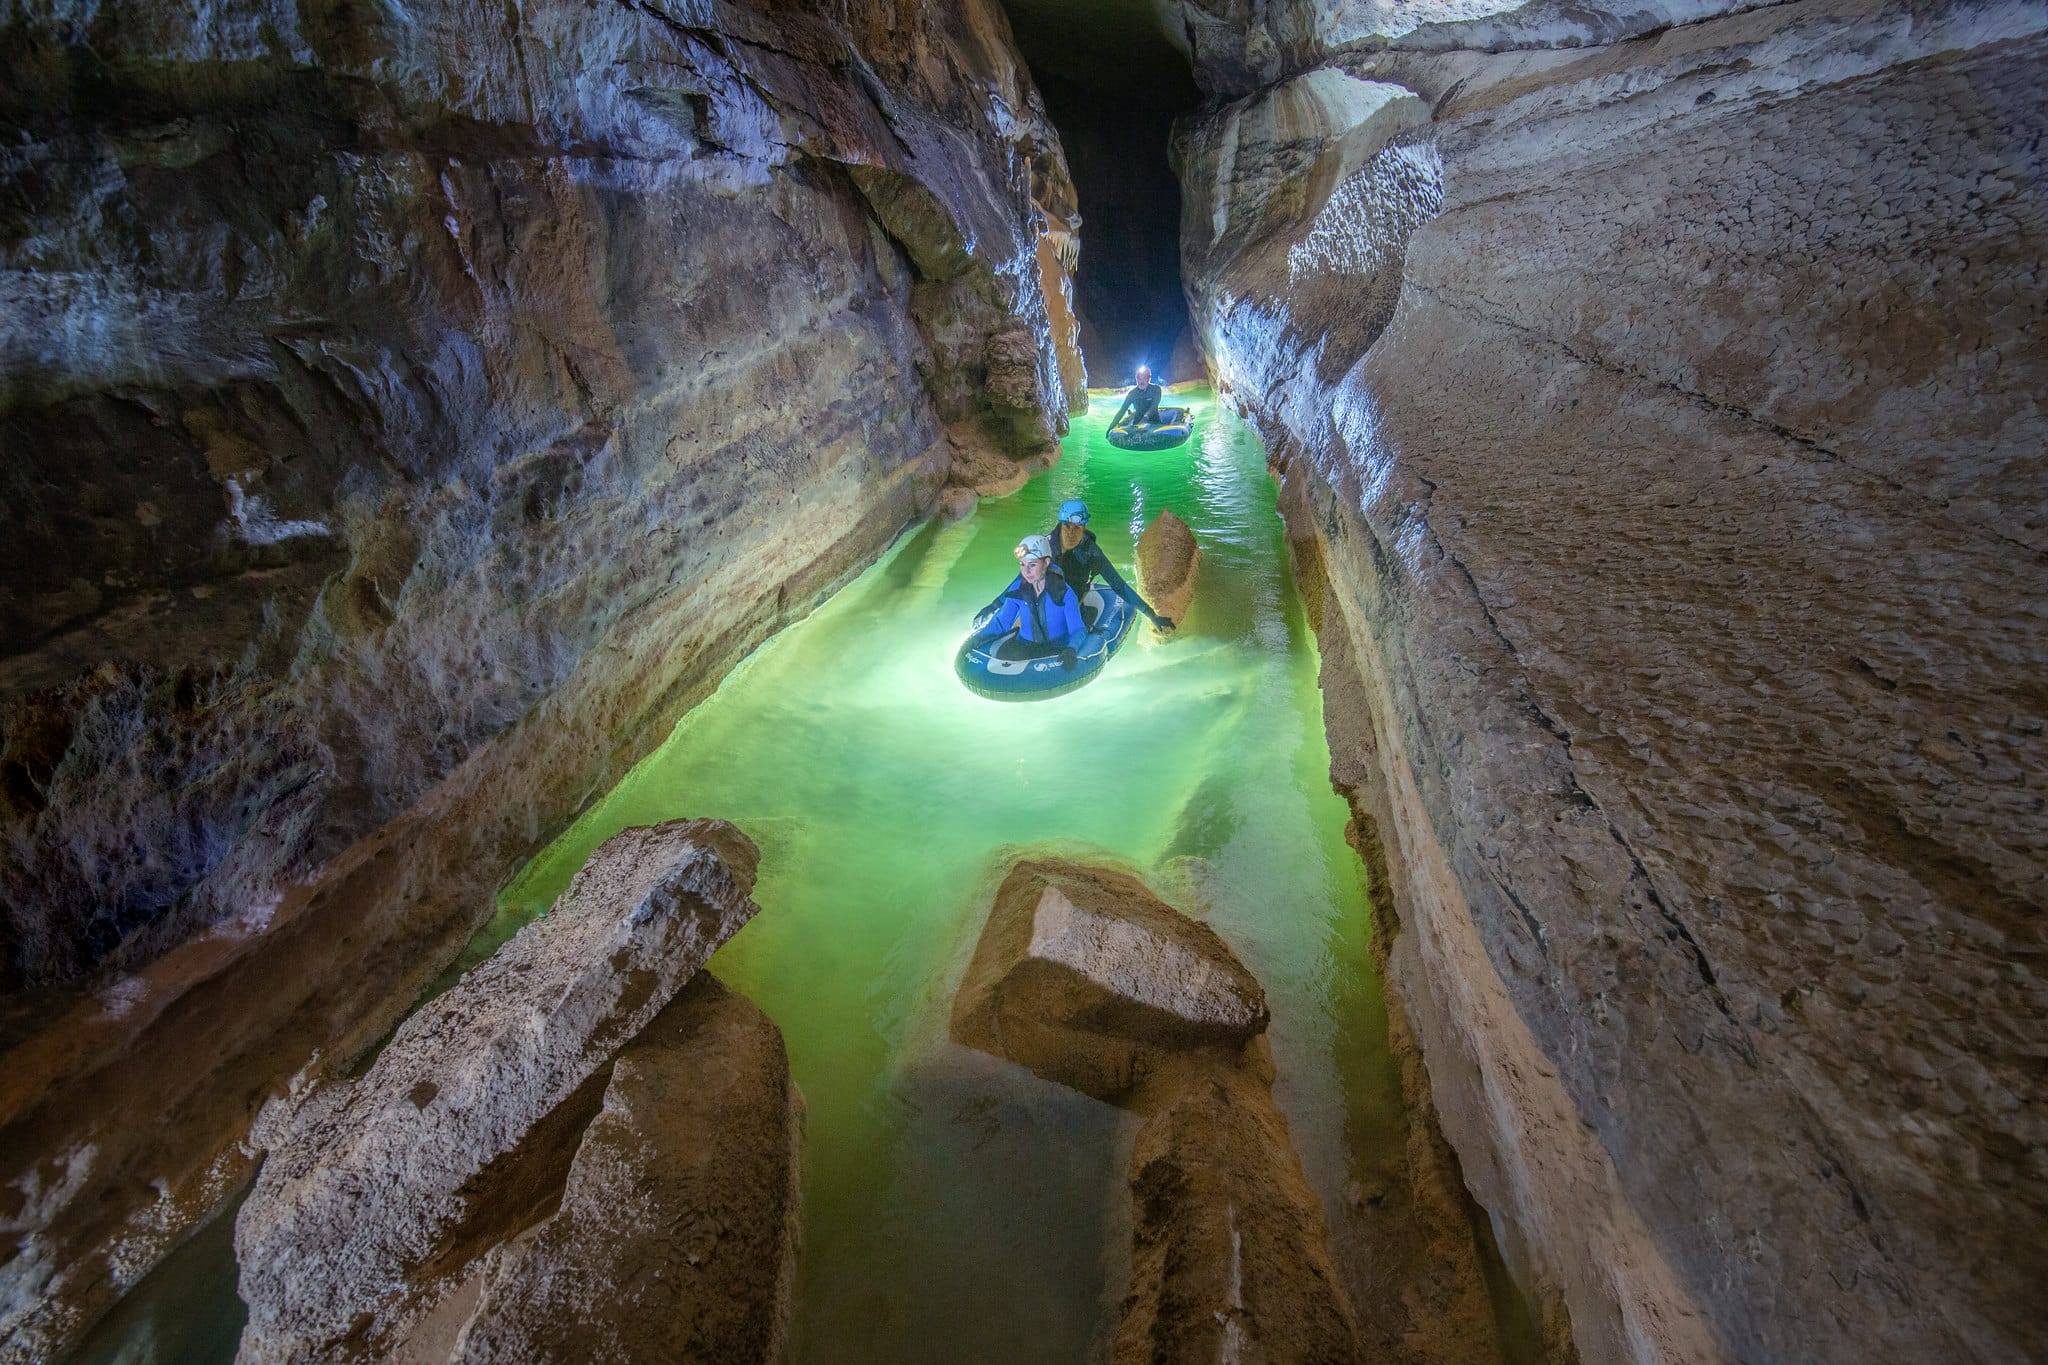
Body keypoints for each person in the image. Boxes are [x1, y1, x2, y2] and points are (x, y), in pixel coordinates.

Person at [1046, 498, 1175, 632]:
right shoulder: (1042, 549)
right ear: (1060, 525)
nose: (1071, 533)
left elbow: (1119, 586)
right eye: (1067, 526)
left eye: (1077, 527)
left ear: (1084, 528)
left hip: (1074, 610)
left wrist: (1152, 615)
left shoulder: (1091, 553)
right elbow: (1024, 585)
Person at [971, 533, 1088, 667]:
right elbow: (1002, 622)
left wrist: (1072, 648)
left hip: (1056, 648)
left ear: (1046, 562)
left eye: (1032, 565)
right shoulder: (1018, 589)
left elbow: (1077, 629)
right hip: (1024, 645)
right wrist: (979, 637)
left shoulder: (1064, 593)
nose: (1026, 571)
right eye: (1022, 564)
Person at [1109, 365, 1164, 429]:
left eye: (1144, 378)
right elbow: (1122, 410)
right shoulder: (1132, 394)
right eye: (1139, 378)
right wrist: (1112, 425)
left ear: (1149, 379)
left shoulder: (1156, 390)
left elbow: (1154, 407)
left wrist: (1145, 418)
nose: (1141, 381)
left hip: (1154, 422)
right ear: (1136, 379)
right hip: (1137, 424)